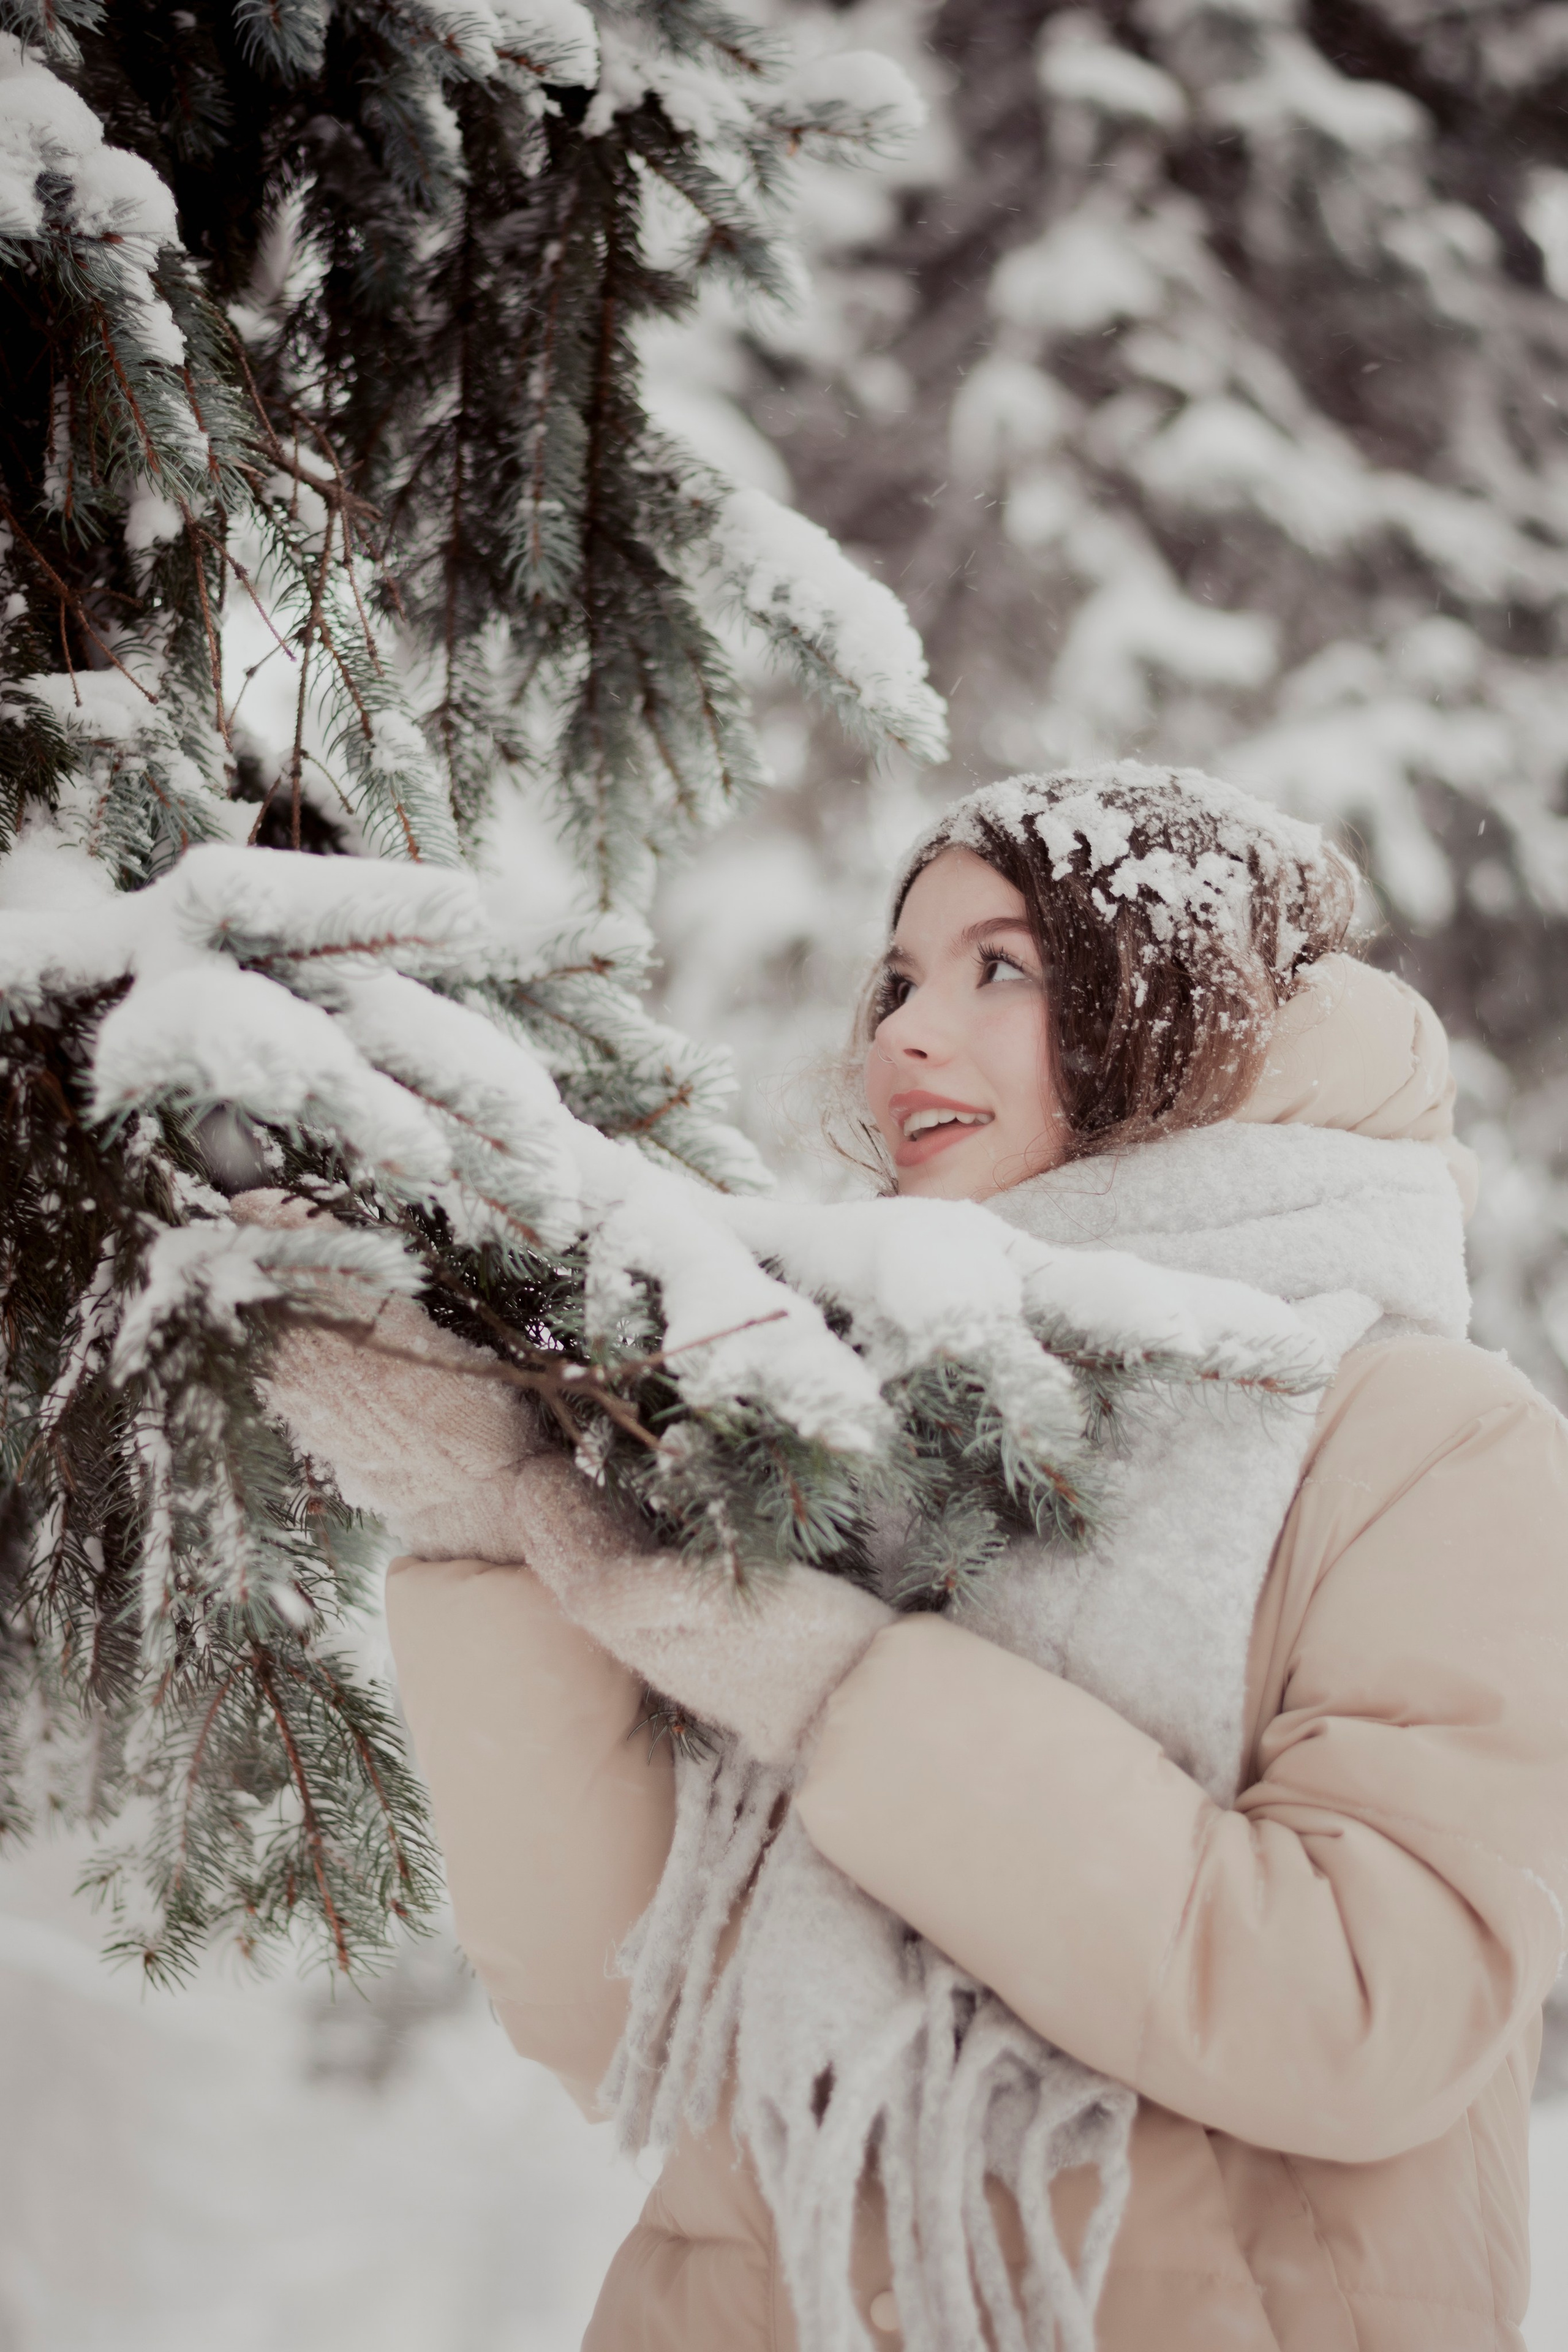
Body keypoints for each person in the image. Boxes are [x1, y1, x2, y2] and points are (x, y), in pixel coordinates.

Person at [249, 764, 1568, 2352]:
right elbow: (623, 2019)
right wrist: (486, 1522)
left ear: (1180, 998)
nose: (901, 1036)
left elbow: (1358, 2013)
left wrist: (847, 1691)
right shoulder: (834, 1420)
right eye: (896, 979)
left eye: (997, 968)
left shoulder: (1430, 1439)